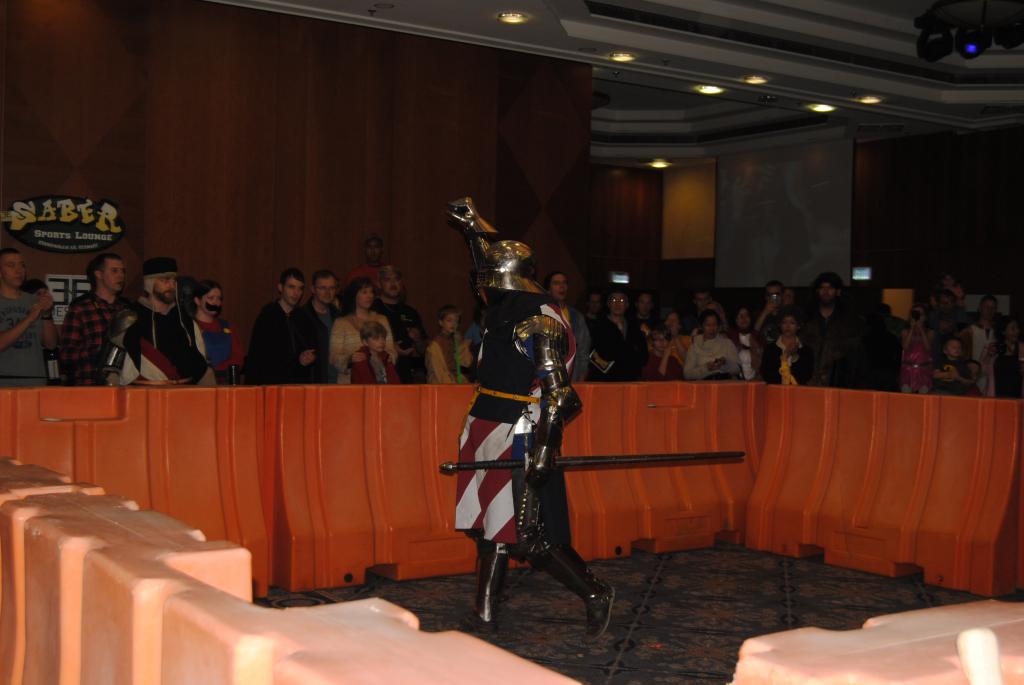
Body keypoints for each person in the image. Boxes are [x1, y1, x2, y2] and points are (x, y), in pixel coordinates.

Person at [447, 197, 613, 640]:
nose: (483, 285)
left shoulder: (541, 321)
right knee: (489, 527)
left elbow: (561, 396)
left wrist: (543, 448)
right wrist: (471, 229)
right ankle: (484, 613)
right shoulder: (504, 310)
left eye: (491, 277)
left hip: (519, 430)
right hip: (485, 423)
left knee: (528, 536)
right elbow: (489, 265)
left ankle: (595, 592)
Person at [120, 257, 211, 385]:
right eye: (165, 280)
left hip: (184, 391)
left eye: (174, 280)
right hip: (144, 392)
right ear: (150, 283)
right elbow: (113, 364)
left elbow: (201, 361)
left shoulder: (184, 318)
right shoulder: (130, 317)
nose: (171, 285)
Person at [58, 253, 128, 386]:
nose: (121, 275)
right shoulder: (80, 309)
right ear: (98, 274)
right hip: (89, 386)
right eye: (114, 271)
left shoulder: (126, 309)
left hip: (123, 386)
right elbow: (66, 355)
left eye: (123, 271)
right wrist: (100, 352)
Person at [245, 267, 319, 385]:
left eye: (300, 288)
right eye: (291, 287)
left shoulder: (304, 319)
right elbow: (259, 358)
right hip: (271, 384)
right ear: (280, 287)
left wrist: (307, 358)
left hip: (298, 384)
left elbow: (312, 350)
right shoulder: (267, 317)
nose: (296, 293)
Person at [0, 248, 57, 386]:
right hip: (4, 384)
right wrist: (29, 318)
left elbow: (51, 344)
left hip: (35, 381)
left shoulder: (33, 301)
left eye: (22, 265)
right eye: (11, 265)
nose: (19, 270)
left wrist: (46, 315)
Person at [800, 272, 864, 388]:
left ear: (838, 291)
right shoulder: (806, 319)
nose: (826, 291)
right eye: (822, 288)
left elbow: (853, 356)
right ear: (817, 291)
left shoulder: (848, 322)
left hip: (837, 382)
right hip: (807, 381)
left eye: (830, 288)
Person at [330, 277, 395, 384]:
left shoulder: (381, 319)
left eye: (371, 292)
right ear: (354, 295)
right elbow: (333, 356)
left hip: (379, 380)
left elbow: (391, 351)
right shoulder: (341, 322)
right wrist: (350, 359)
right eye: (364, 292)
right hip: (349, 383)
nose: (370, 296)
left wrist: (387, 357)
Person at [372, 266, 427, 384]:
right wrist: (391, 348)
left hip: (406, 375)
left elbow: (424, 350)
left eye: (396, 279)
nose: (393, 284)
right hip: (378, 375)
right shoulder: (372, 309)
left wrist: (418, 339)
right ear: (379, 284)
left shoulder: (410, 312)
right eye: (387, 279)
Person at [588, 289, 648, 382]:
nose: (617, 304)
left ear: (627, 305)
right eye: (614, 300)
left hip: (631, 380)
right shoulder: (599, 327)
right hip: (605, 380)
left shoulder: (634, 326)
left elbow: (643, 354)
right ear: (608, 304)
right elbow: (597, 354)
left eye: (621, 300)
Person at [192, 280, 244, 384]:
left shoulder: (227, 326)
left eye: (219, 298)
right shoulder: (190, 327)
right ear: (197, 300)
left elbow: (238, 356)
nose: (216, 303)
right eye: (211, 298)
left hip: (227, 383)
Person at [545, 271, 592, 383]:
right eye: (556, 283)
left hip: (572, 377)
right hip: (547, 378)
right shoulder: (542, 314)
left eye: (564, 283)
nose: (562, 286)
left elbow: (583, 351)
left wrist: (581, 377)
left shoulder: (576, 317)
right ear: (548, 289)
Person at [301, 269, 342, 384]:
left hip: (339, 380)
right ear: (313, 289)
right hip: (314, 382)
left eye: (332, 288)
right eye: (322, 288)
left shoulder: (339, 315)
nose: (328, 293)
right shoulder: (301, 316)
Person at [760, 307, 814, 385]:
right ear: (780, 325)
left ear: (798, 326)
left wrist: (794, 357)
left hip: (798, 392)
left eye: (792, 323)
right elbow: (767, 375)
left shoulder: (806, 351)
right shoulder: (770, 349)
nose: (787, 326)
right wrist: (784, 357)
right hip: (775, 391)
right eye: (784, 322)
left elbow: (805, 376)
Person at [958, 294, 999, 393]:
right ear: (980, 308)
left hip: (994, 378)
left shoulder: (999, 332)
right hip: (973, 377)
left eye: (993, 308)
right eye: (987, 307)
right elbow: (962, 356)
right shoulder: (968, 331)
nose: (990, 310)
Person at [684, 309, 740, 380]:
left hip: (725, 382)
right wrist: (706, 368)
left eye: (714, 324)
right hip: (704, 384)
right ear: (701, 326)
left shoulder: (727, 343)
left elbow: (737, 369)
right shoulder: (694, 347)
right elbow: (687, 374)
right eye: (708, 325)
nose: (712, 328)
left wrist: (725, 363)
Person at [425, 305, 472, 384]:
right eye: (449, 320)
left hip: (455, 381)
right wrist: (452, 384)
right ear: (440, 322)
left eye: (456, 321)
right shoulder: (434, 346)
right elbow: (439, 373)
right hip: (440, 384)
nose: (453, 324)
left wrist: (461, 344)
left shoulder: (455, 340)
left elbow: (467, 362)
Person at [350, 320, 401, 385]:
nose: (381, 342)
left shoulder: (386, 357)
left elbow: (395, 381)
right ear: (365, 342)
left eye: (383, 338)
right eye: (376, 338)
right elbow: (364, 383)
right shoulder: (360, 358)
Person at [900, 303, 933, 394]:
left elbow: (928, 347)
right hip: (908, 369)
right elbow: (905, 347)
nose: (918, 317)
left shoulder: (930, 332)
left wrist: (921, 329)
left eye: (920, 314)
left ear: (925, 317)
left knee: (923, 396)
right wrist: (912, 328)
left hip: (924, 369)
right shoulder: (905, 331)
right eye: (915, 314)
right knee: (906, 394)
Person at [727, 306, 764, 381]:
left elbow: (763, 363)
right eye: (741, 316)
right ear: (736, 319)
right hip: (736, 381)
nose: (744, 319)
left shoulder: (757, 337)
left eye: (747, 315)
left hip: (755, 380)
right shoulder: (730, 337)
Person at [993, 318, 1023, 398]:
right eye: (1013, 328)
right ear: (1003, 331)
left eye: (1017, 328)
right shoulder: (994, 347)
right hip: (997, 392)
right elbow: (983, 369)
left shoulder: (1021, 347)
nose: (1017, 331)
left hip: (1017, 392)